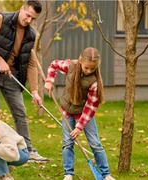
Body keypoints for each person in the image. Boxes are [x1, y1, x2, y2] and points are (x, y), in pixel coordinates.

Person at [0, 0, 48, 162]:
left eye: (33, 18)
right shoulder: (0, 20)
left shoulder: (30, 35)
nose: (29, 20)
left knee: (20, 112)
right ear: (22, 9)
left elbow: (31, 63)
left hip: (11, 76)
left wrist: (35, 91)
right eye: (27, 15)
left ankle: (28, 151)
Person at [44, 47, 116, 180]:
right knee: (67, 143)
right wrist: (49, 81)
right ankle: (68, 173)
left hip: (83, 113)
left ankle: (106, 174)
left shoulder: (94, 81)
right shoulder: (71, 65)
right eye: (86, 67)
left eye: (92, 69)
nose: (88, 71)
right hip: (66, 109)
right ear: (80, 61)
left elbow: (90, 107)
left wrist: (79, 127)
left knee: (95, 143)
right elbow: (53, 65)